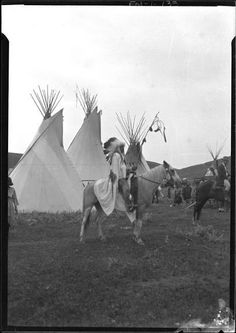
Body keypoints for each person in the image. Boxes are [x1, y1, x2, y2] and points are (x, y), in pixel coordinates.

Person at [94, 138, 135, 221]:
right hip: (119, 179)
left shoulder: (121, 156)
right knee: (126, 189)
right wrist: (115, 182)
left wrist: (130, 170)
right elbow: (115, 170)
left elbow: (123, 168)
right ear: (118, 147)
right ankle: (129, 206)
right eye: (121, 147)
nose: (123, 148)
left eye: (123, 147)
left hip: (124, 177)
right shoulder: (116, 156)